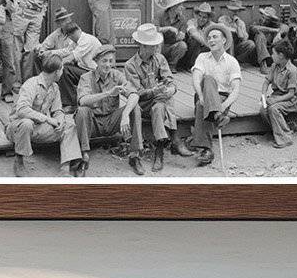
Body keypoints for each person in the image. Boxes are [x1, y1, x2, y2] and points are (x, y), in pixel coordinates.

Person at [124, 23, 189, 169]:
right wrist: (155, 90)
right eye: (153, 45)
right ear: (143, 46)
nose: (156, 48)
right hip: (142, 105)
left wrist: (171, 89)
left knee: (160, 105)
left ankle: (159, 152)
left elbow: (170, 80)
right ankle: (174, 137)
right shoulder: (130, 65)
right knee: (160, 98)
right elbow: (137, 94)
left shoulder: (160, 59)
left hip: (158, 103)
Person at [7, 54, 84, 177]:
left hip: (39, 129)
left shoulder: (54, 87)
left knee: (69, 125)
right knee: (27, 123)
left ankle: (65, 168)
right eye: (62, 69)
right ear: (57, 71)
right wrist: (48, 119)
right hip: (17, 128)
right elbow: (21, 110)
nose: (63, 72)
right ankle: (19, 161)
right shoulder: (31, 84)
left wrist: (59, 121)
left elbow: (57, 110)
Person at [76, 44, 144, 176]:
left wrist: (125, 115)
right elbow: (82, 101)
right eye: (104, 61)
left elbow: (134, 94)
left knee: (134, 107)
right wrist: (108, 93)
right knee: (82, 111)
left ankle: (134, 156)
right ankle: (83, 157)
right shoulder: (86, 78)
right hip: (93, 124)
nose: (108, 65)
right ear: (96, 62)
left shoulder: (117, 75)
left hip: (112, 121)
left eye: (111, 61)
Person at [190, 25, 242, 168]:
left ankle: (206, 150)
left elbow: (236, 90)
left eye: (215, 37)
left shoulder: (232, 62)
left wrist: (223, 106)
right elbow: (196, 78)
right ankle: (218, 116)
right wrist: (201, 95)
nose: (211, 40)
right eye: (209, 38)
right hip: (202, 94)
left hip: (222, 99)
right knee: (207, 79)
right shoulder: (202, 57)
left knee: (201, 106)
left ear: (224, 40)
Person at [12, 0, 52, 84]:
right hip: (21, 15)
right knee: (17, 48)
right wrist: (16, 6)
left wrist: (42, 13)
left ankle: (27, 81)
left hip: (36, 16)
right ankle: (16, 81)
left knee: (31, 50)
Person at [260, 40, 297, 148]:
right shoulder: (274, 66)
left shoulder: (292, 71)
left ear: (281, 55)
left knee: (273, 108)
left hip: (289, 99)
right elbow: (266, 81)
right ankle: (281, 129)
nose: (271, 56)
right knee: (263, 110)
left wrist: (275, 100)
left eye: (273, 53)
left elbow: (291, 94)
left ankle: (285, 138)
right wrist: (263, 95)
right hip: (276, 95)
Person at [55, 23, 102, 108]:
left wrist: (56, 65)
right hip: (85, 69)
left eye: (70, 36)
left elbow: (71, 57)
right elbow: (66, 51)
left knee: (65, 70)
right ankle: (69, 98)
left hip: (94, 73)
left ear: (70, 35)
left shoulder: (87, 40)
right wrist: (50, 53)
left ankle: (70, 104)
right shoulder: (77, 40)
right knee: (66, 67)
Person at [27, 6, 76, 77]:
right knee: (36, 55)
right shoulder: (57, 33)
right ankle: (40, 79)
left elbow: (69, 51)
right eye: (63, 20)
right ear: (59, 24)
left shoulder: (73, 31)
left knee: (54, 61)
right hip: (58, 60)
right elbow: (46, 44)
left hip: (70, 61)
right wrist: (40, 50)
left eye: (67, 19)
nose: (67, 22)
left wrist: (50, 53)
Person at [217, 0, 258, 66]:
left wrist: (238, 26)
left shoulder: (240, 22)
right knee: (230, 35)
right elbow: (223, 29)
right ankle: (230, 62)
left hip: (237, 47)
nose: (235, 13)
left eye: (236, 11)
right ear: (228, 11)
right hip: (226, 46)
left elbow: (243, 38)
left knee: (251, 44)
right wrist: (234, 30)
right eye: (232, 11)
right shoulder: (222, 19)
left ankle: (238, 61)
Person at [180, 1, 214, 71]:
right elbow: (193, 33)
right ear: (197, 15)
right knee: (195, 40)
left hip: (204, 52)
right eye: (200, 16)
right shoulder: (191, 22)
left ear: (208, 19)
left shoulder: (211, 25)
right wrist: (208, 44)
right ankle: (191, 66)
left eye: (204, 17)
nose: (201, 19)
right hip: (190, 54)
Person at [158, 0, 188, 70]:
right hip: (159, 47)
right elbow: (154, 29)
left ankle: (171, 66)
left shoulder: (182, 19)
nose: (182, 7)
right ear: (173, 7)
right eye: (179, 5)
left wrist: (181, 35)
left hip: (172, 46)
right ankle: (158, 65)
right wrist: (168, 28)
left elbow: (182, 34)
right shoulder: (160, 15)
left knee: (182, 45)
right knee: (159, 36)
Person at [250, 5, 282, 71]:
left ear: (271, 20)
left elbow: (284, 28)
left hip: (271, 57)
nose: (263, 19)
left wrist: (279, 33)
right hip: (256, 56)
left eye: (267, 18)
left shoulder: (275, 25)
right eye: (263, 16)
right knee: (260, 35)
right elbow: (254, 28)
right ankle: (263, 63)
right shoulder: (256, 22)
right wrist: (273, 30)